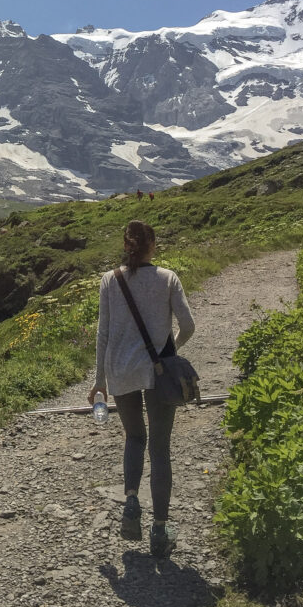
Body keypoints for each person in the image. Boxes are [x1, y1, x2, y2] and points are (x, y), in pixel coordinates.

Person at [88, 220, 195, 557]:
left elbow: (102, 334)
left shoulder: (110, 280)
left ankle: (131, 499)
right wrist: (169, 351)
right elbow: (188, 326)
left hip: (120, 372)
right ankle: (160, 530)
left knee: (135, 438)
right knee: (160, 448)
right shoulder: (168, 279)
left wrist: (99, 381)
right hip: (157, 372)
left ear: (126, 245)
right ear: (153, 246)